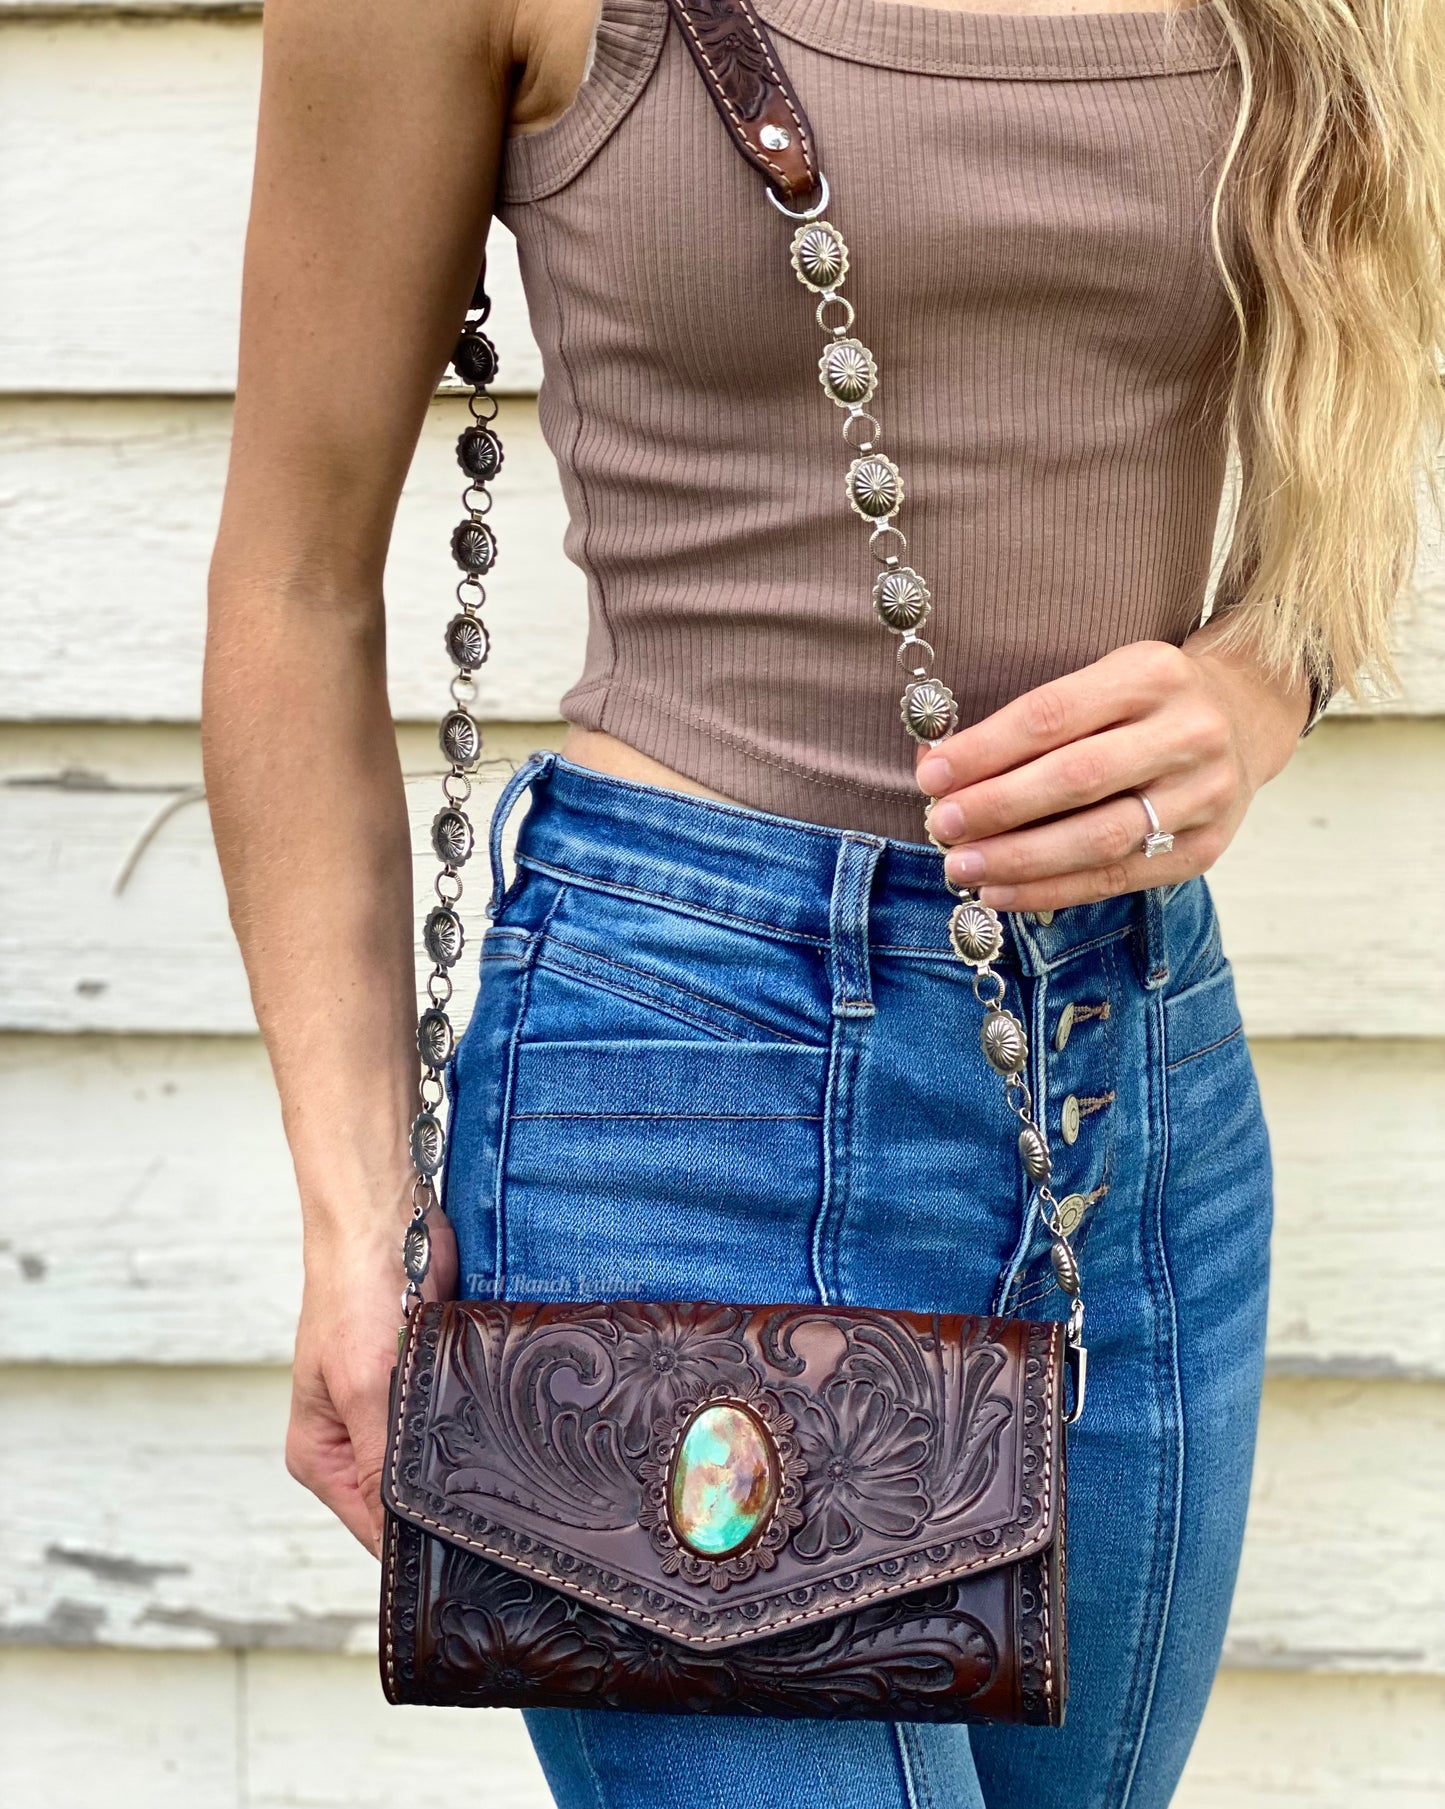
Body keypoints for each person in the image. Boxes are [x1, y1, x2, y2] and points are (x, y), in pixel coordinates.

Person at [203, 0, 1444, 1803]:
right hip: (682, 1091)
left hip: (1139, 1073)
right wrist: (350, 1209)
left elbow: (1362, 384)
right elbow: (292, 583)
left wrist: (1262, 679)